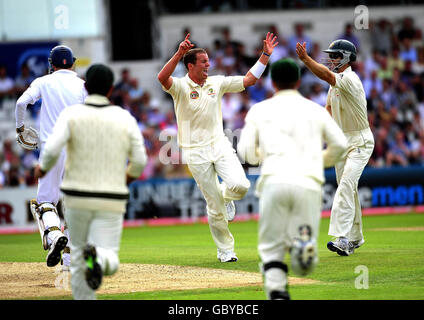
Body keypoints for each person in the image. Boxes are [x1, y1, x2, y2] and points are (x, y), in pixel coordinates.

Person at [157, 32, 278, 262]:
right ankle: (226, 250)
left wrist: (264, 55)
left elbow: (249, 80)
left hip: (219, 144)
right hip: (194, 151)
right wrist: (179, 53)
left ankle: (226, 196)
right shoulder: (180, 87)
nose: (208, 65)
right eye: (203, 62)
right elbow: (162, 78)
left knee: (240, 186)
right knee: (214, 207)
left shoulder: (217, 82)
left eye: (208, 61)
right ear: (190, 66)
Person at [34, 64, 147, 300]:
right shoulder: (123, 117)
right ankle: (94, 257)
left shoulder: (70, 115)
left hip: (78, 194)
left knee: (77, 257)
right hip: (111, 195)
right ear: (111, 89)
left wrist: (42, 168)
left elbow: (51, 152)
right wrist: (123, 180)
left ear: (86, 87)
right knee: (109, 260)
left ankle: (82, 258)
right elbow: (138, 161)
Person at [237, 58, 347, 300]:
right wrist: (317, 160)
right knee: (302, 250)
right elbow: (340, 145)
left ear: (272, 83)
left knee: (271, 246)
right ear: (298, 81)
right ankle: (303, 248)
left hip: (274, 181)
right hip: (308, 182)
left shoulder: (259, 109)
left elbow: (245, 151)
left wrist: (263, 157)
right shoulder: (315, 109)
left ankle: (276, 291)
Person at [296, 39, 375, 256]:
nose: (331, 59)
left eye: (335, 56)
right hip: (342, 141)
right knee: (348, 188)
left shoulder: (349, 79)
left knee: (346, 185)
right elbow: (329, 109)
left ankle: (341, 238)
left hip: (360, 140)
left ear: (347, 58)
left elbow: (327, 76)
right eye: (330, 56)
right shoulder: (335, 85)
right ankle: (355, 238)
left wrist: (305, 59)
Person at [15, 45, 87, 269]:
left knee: (46, 201)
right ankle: (68, 260)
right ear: (73, 63)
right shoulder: (83, 85)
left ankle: (55, 237)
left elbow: (20, 103)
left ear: (51, 64)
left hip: (52, 147)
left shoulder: (43, 82)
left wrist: (20, 129)